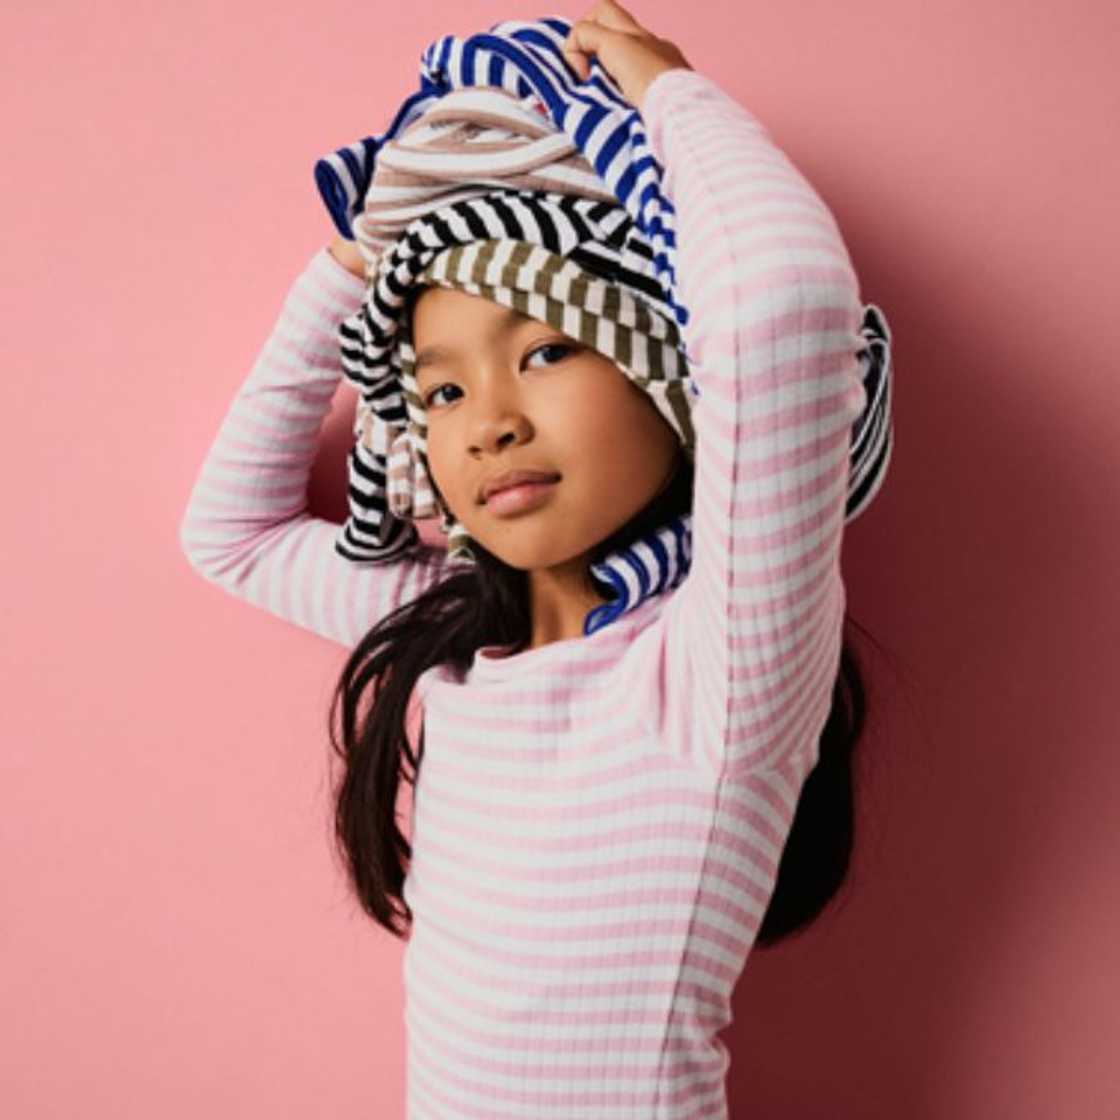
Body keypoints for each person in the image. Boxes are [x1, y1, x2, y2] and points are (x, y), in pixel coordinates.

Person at [179, 5, 891, 1115]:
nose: (488, 422)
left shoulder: (718, 669)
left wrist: (669, 96)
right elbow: (231, 534)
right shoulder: (456, 638)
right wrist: (365, 253)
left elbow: (783, 309)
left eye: (549, 348)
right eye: (441, 389)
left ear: (669, 377)